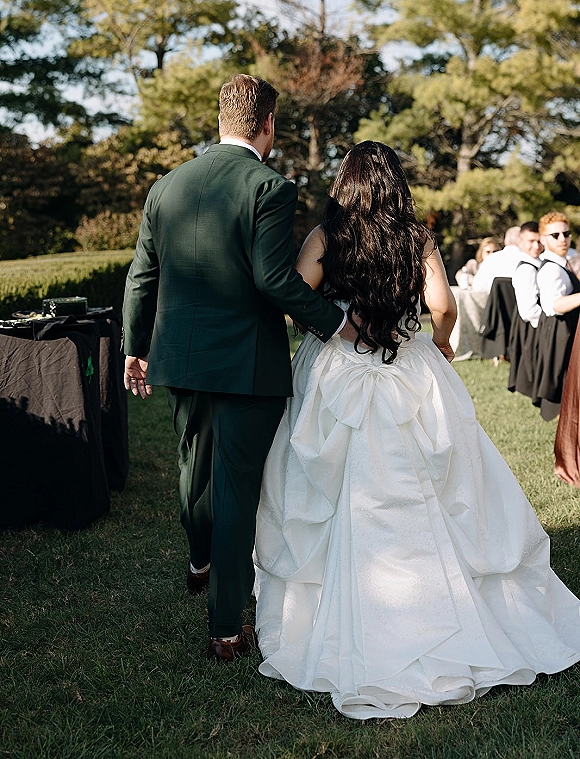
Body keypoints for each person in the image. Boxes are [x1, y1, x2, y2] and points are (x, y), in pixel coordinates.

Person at [254, 142, 580, 720]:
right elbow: (442, 304)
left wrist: (337, 327)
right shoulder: (415, 237)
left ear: (347, 184)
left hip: (338, 364)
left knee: (326, 486)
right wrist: (441, 344)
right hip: (408, 364)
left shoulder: (328, 235)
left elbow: (294, 293)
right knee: (442, 482)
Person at [122, 74, 356, 663]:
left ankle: (200, 559)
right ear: (267, 125)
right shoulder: (270, 187)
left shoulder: (166, 186)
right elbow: (273, 279)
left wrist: (133, 345)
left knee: (191, 464)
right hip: (246, 364)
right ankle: (226, 627)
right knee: (234, 490)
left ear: (221, 119)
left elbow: (142, 273)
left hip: (178, 357)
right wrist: (335, 323)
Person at [534, 212, 580, 420]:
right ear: (543, 239)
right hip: (560, 333)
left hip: (566, 331)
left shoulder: (562, 262)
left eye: (566, 233)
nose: (562, 239)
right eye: (555, 235)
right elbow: (555, 305)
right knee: (565, 390)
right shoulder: (551, 270)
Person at [508, 222, 543, 398]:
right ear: (520, 241)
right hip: (533, 327)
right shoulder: (526, 270)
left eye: (539, 241)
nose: (536, 246)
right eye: (531, 241)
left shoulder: (539, 263)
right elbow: (528, 310)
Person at [470, 225, 521, 293]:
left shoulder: (490, 260)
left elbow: (477, 288)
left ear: (505, 241)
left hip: (494, 302)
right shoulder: (527, 260)